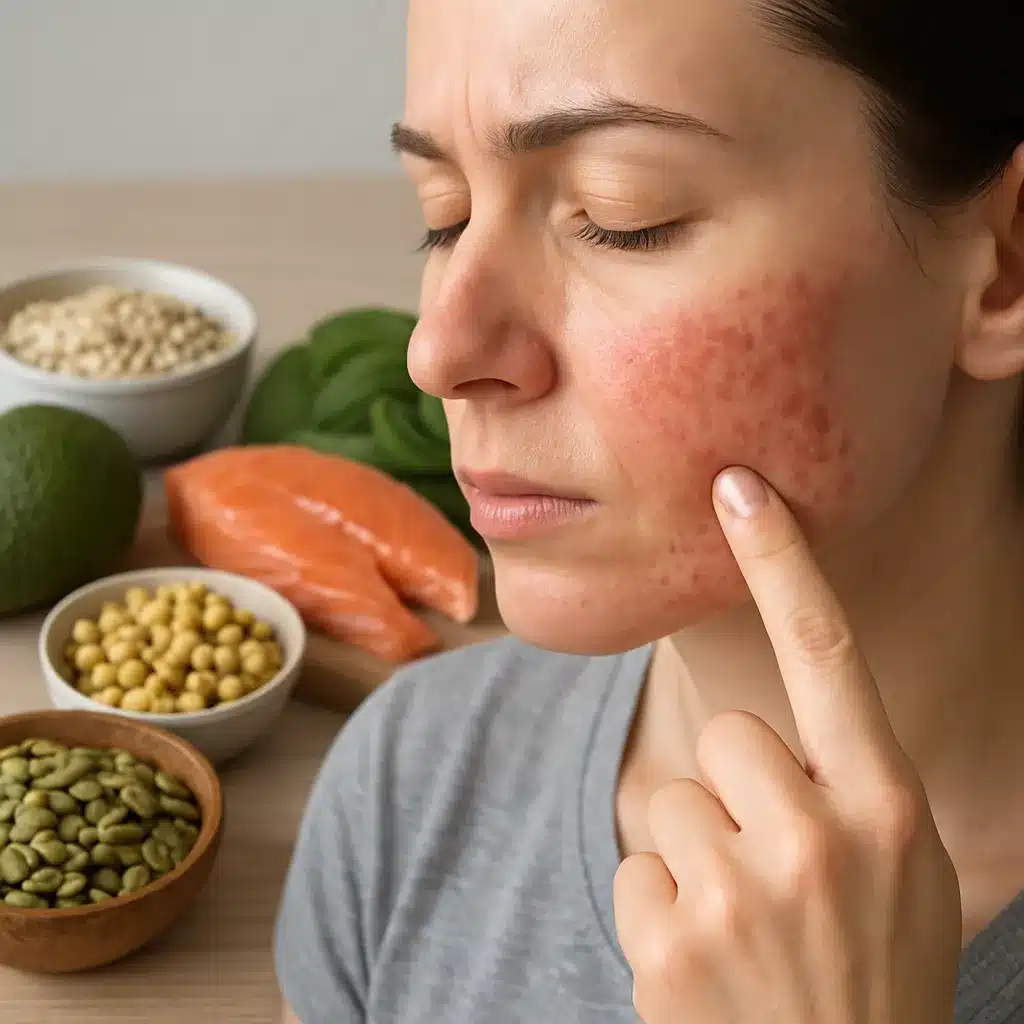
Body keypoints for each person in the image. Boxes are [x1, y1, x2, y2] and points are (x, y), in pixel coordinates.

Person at [275, 0, 1024, 1020]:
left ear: (1006, 265)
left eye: (622, 215)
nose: (438, 350)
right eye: (444, 214)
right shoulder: (413, 788)